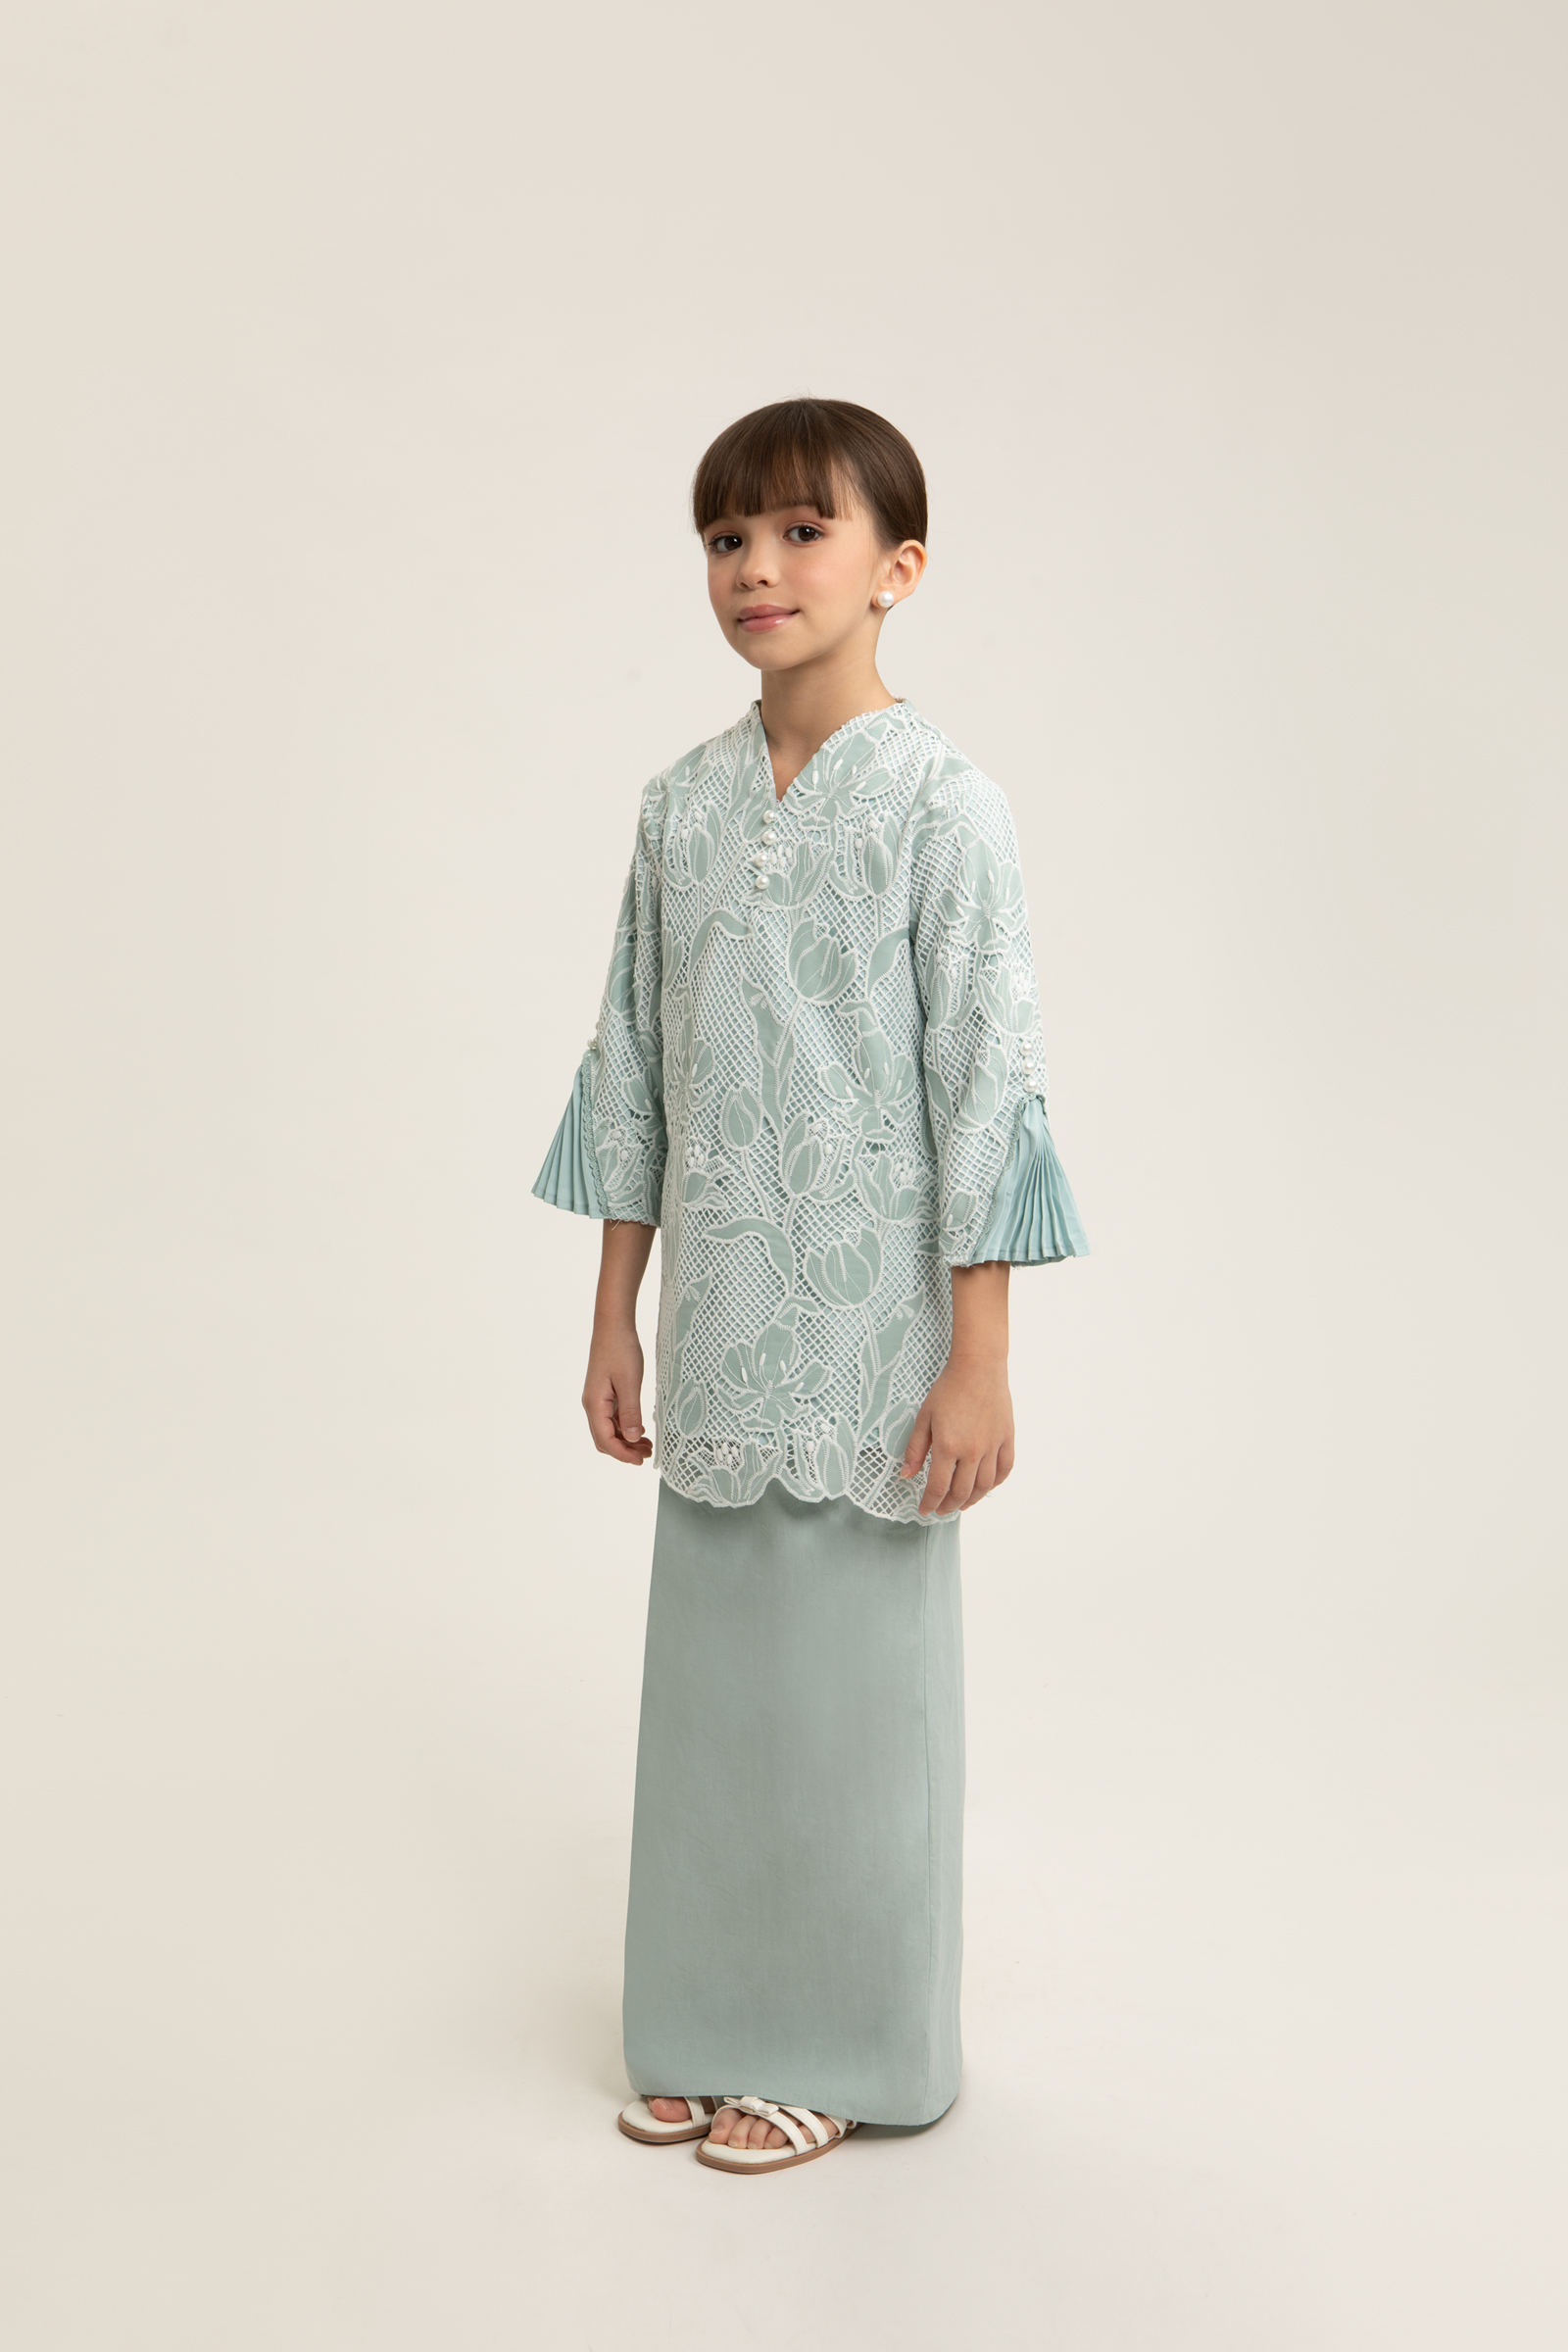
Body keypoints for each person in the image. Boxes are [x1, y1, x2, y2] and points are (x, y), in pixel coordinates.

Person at [533, 397, 1087, 2175]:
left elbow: (987, 1085)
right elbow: (634, 1069)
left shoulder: (947, 808)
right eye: (726, 538)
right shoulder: (679, 809)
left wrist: (981, 1357)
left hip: (878, 1347)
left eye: (799, 532)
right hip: (719, 1335)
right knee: (717, 1700)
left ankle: (853, 2048)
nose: (756, 568)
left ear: (898, 567)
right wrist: (614, 1314)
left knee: (858, 1706)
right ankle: (705, 2021)